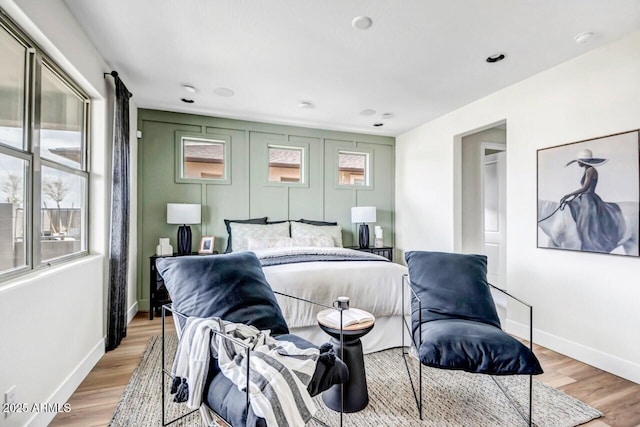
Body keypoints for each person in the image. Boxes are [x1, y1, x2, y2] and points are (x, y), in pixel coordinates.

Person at [560, 149, 623, 253]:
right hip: (584, 197)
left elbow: (585, 188)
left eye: (579, 161)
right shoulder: (587, 170)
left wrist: (569, 194)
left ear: (585, 161)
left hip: (589, 199)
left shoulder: (591, 170)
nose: (578, 163)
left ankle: (589, 243)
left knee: (585, 220)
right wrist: (571, 197)